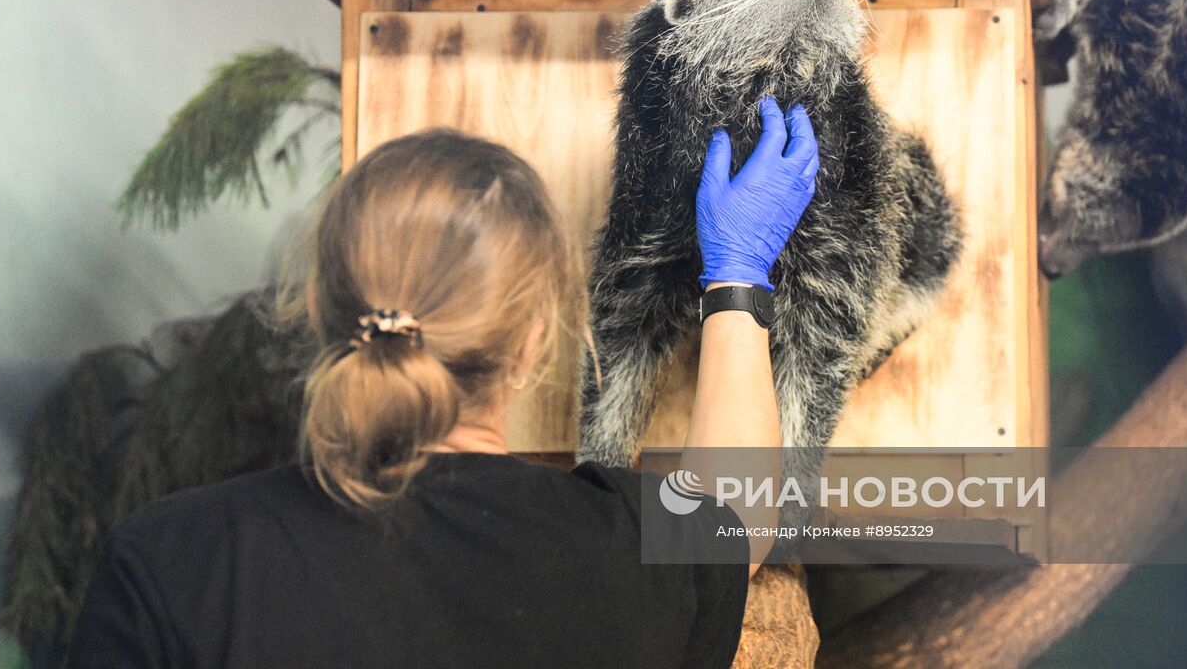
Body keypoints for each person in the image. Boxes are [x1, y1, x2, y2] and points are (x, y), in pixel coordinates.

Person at [67, 98, 819, 669]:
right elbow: (738, 515)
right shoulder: (629, 551)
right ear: (532, 342)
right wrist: (736, 275)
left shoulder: (174, 559)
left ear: (318, 309)